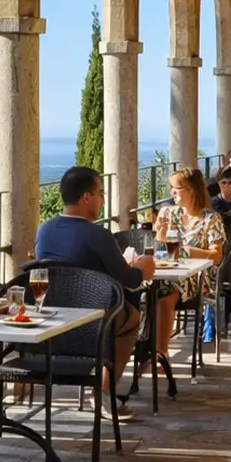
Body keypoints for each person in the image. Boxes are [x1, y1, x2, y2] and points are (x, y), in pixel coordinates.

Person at [33, 166, 157, 419]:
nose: (103, 200)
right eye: (101, 193)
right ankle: (103, 391)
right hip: (93, 320)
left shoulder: (44, 229)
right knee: (132, 318)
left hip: (52, 318)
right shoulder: (99, 235)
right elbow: (129, 280)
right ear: (86, 197)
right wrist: (144, 267)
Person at [153, 167, 227, 370]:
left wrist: (189, 251)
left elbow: (217, 256)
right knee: (143, 287)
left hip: (198, 277)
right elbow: (160, 251)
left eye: (177, 188)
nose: (172, 192)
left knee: (165, 290)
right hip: (169, 271)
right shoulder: (168, 213)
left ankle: (160, 354)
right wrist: (160, 233)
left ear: (192, 190)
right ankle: (145, 349)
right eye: (172, 187)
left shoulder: (211, 219)